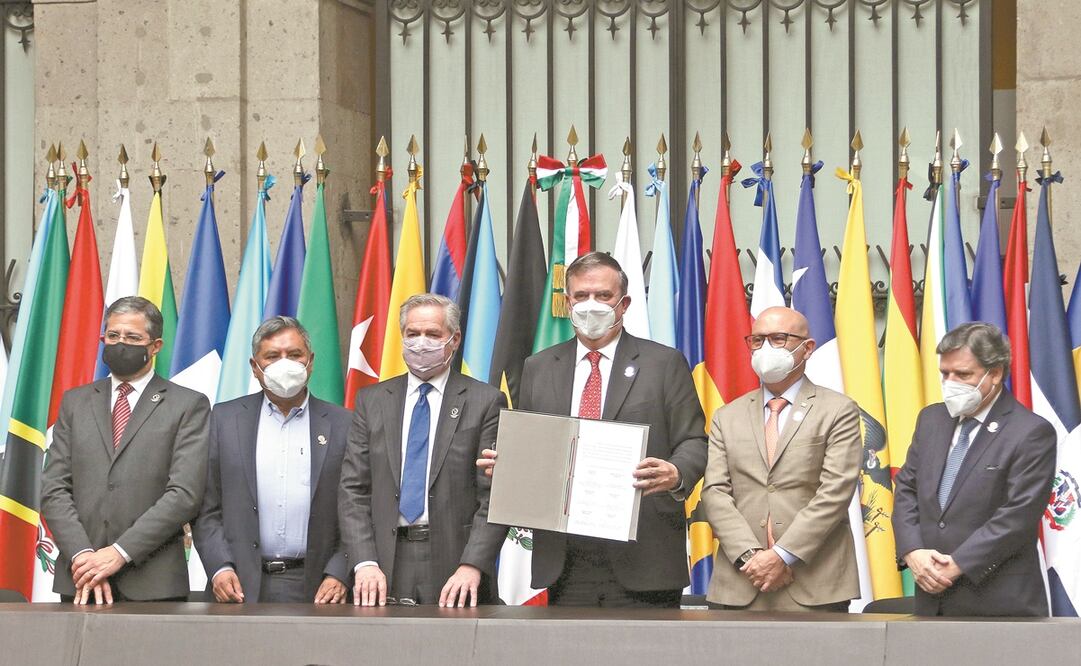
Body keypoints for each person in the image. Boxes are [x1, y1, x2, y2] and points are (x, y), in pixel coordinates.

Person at [479, 252, 707, 608]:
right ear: (567, 302)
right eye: (581, 296)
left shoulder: (663, 363)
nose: (591, 305)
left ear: (624, 303)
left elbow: (694, 439)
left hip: (645, 553)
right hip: (566, 557)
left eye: (603, 296)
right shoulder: (539, 367)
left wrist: (677, 473)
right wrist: (510, 468)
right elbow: (535, 445)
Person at [339, 293, 508, 607]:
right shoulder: (372, 401)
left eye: (433, 335)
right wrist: (364, 562)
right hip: (383, 564)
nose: (421, 343)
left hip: (456, 566)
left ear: (454, 339)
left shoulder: (485, 402)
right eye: (412, 334)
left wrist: (472, 564)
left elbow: (495, 495)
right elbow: (353, 489)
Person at [41, 296, 211, 603]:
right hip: (81, 579)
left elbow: (184, 494)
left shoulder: (188, 405)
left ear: (155, 346)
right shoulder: (75, 402)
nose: (121, 344)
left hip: (153, 582)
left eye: (133, 338)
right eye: (113, 335)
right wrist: (84, 557)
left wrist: (119, 553)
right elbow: (54, 487)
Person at [702, 306, 862, 612]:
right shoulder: (727, 415)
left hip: (814, 582)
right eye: (758, 340)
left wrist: (782, 555)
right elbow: (715, 492)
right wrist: (753, 558)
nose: (765, 348)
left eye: (778, 339)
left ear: (807, 348)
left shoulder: (838, 410)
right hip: (741, 581)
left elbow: (835, 492)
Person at [893, 322, 1056, 616]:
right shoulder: (931, 419)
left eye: (963, 374)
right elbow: (906, 487)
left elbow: (1018, 514)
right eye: (945, 373)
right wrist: (913, 551)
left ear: (994, 374)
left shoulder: (1030, 432)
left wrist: (957, 564)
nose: (950, 382)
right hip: (931, 598)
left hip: (998, 600)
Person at [193, 317, 352, 604]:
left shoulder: (344, 424)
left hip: (320, 588)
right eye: (272, 356)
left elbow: (358, 507)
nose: (285, 364)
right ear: (255, 367)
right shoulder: (224, 419)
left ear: (310, 362)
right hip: (238, 586)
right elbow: (206, 506)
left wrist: (340, 572)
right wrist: (219, 567)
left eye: (294, 355)